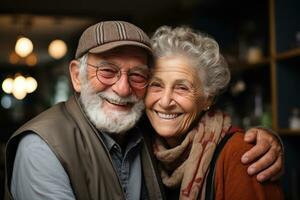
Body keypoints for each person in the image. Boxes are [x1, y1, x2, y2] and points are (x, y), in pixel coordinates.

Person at [4, 21, 282, 200]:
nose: (123, 89)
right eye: (108, 71)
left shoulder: (244, 155)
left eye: (137, 76)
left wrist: (268, 138)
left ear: (208, 98)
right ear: (77, 76)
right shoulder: (40, 148)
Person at [145, 25, 284, 199]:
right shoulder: (139, 143)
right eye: (156, 85)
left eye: (182, 88)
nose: (165, 102)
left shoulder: (242, 155)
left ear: (207, 99)